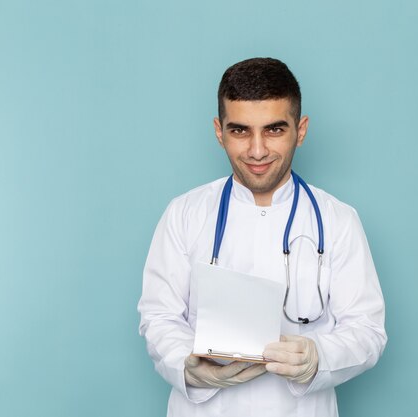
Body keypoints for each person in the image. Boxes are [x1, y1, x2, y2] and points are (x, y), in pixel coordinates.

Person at [138, 57, 387, 417]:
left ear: (300, 131)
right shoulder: (184, 214)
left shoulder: (338, 220)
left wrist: (319, 358)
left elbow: (367, 330)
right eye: (240, 130)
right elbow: (159, 316)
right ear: (218, 131)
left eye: (274, 129)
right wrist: (186, 364)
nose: (257, 150)